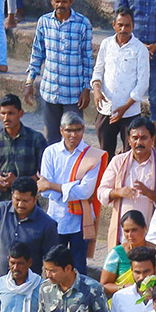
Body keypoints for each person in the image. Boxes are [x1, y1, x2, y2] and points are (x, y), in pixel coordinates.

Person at [36, 111, 107, 274]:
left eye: (77, 130)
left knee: (79, 267)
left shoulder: (92, 156)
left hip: (80, 220)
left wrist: (53, 186)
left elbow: (85, 192)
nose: (73, 135)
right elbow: (45, 192)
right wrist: (70, 187)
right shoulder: (50, 152)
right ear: (61, 130)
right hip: (55, 218)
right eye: (69, 130)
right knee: (53, 266)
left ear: (83, 129)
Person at [23, 0, 92, 144]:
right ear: (51, 1)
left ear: (71, 2)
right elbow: (37, 54)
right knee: (51, 139)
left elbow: (87, 59)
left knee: (73, 138)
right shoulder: (44, 22)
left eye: (64, 1)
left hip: (73, 93)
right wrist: (29, 82)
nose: (60, 5)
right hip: (50, 91)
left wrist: (86, 89)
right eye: (57, 1)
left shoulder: (82, 24)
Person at [97, 116, 156, 247]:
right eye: (135, 138)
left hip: (151, 238)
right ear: (129, 140)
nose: (138, 142)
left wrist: (150, 194)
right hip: (122, 237)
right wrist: (118, 192)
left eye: (143, 138)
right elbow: (101, 192)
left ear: (152, 139)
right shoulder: (118, 162)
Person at [0, 177, 59, 293]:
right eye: (17, 199)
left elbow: (50, 258)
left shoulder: (47, 224)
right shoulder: (0, 211)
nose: (20, 204)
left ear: (35, 199)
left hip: (28, 287)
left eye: (25, 201)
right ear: (12, 195)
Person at [91, 7, 148, 158]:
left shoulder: (140, 49)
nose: (124, 29)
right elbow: (98, 71)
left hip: (129, 112)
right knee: (105, 153)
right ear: (114, 25)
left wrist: (125, 107)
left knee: (129, 154)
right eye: (120, 25)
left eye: (127, 25)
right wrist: (96, 90)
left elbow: (142, 84)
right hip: (106, 109)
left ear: (133, 26)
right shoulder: (106, 44)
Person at [115, 0, 156, 131]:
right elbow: (119, 21)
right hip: (131, 54)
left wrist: (154, 46)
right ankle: (130, 140)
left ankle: (153, 143)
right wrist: (140, 46)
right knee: (129, 95)